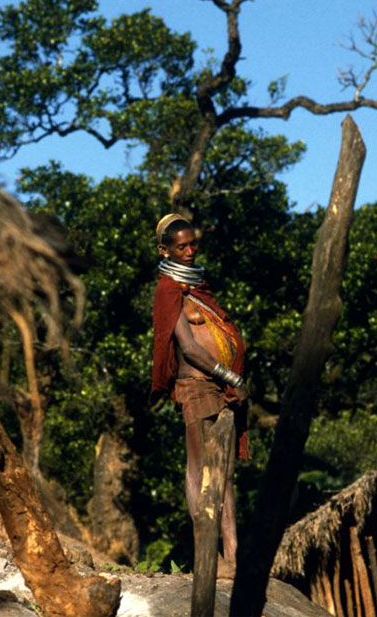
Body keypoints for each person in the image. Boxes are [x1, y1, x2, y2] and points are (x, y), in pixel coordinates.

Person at [150, 213, 249, 579]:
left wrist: (230, 380)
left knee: (224, 473)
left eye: (193, 244)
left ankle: (234, 555)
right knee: (200, 468)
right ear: (165, 250)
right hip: (197, 386)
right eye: (181, 246)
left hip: (222, 389)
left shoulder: (199, 290)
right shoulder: (168, 290)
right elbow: (189, 348)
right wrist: (229, 375)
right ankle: (209, 553)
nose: (190, 251)